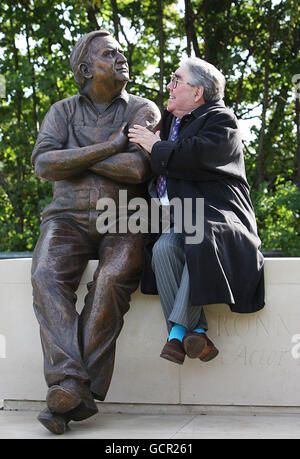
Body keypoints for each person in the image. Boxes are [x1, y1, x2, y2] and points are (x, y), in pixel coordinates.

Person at [31, 30, 160, 434]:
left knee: (112, 278)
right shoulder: (61, 111)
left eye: (122, 53)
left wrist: (75, 159)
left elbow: (137, 169)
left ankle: (68, 390)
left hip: (125, 217)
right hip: (65, 218)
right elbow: (44, 165)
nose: (122, 58)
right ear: (86, 69)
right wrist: (109, 148)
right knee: (44, 276)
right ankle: (72, 386)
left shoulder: (142, 109)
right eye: (110, 53)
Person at [128, 57, 265, 366]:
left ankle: (176, 334)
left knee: (199, 239)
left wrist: (155, 146)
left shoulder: (220, 119)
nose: (169, 86)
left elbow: (196, 156)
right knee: (162, 250)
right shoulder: (166, 121)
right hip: (179, 215)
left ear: (198, 92)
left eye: (177, 80)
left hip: (219, 213)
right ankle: (198, 333)